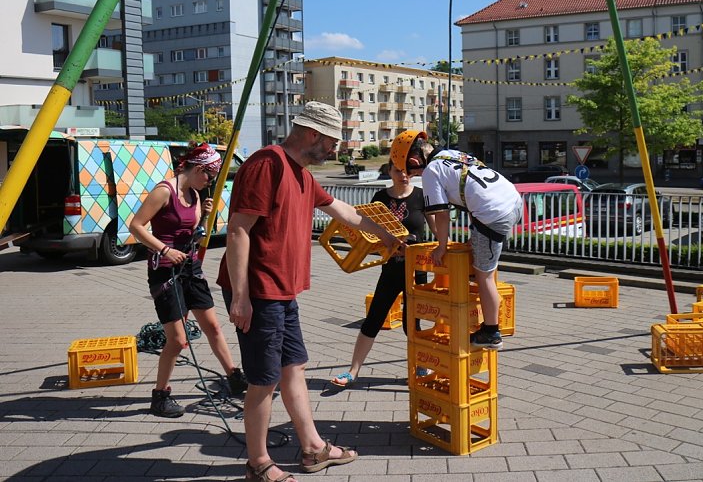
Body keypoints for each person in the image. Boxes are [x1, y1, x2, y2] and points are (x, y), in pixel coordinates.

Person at [217, 101, 402, 482]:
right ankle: (258, 464)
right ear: (314, 135)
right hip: (260, 291)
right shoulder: (267, 164)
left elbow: (344, 212)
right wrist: (240, 296)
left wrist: (387, 235)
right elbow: (238, 230)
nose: (336, 151)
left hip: (284, 291)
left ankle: (313, 448)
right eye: (333, 142)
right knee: (264, 380)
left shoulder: (302, 174)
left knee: (293, 368)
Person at [129, 143, 248, 419]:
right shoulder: (164, 191)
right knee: (178, 339)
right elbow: (136, 225)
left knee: (213, 326)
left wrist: (205, 214)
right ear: (197, 168)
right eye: (209, 175)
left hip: (190, 268)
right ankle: (160, 396)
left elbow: (193, 233)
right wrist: (164, 249)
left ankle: (234, 376)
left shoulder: (195, 194)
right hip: (165, 271)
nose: (210, 181)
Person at [389, 130, 523, 351]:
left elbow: (441, 215)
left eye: (411, 172)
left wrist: (442, 247)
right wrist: (474, 237)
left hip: (493, 214)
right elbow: (469, 195)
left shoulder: (431, 171)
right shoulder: (453, 155)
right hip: (512, 200)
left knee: (484, 276)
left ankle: (491, 332)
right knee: (481, 260)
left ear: (414, 161)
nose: (412, 176)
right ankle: (486, 313)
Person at [331, 160, 437, 387]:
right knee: (374, 319)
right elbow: (368, 235)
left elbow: (437, 232)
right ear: (389, 171)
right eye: (398, 170)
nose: (404, 175)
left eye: (407, 171)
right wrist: (386, 244)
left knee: (412, 324)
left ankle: (420, 366)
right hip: (390, 268)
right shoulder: (380, 198)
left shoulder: (421, 196)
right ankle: (353, 371)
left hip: (416, 270)